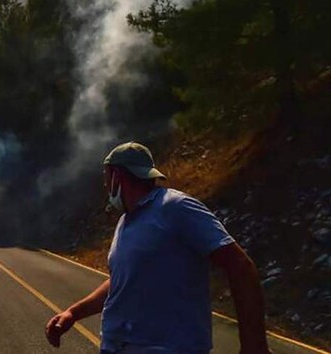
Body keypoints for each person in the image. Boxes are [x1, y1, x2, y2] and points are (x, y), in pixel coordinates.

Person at [45, 142, 270, 354]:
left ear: (117, 176)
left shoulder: (176, 207)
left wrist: (254, 344)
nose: (105, 185)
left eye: (106, 177)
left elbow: (239, 266)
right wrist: (73, 313)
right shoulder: (127, 221)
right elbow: (122, 281)